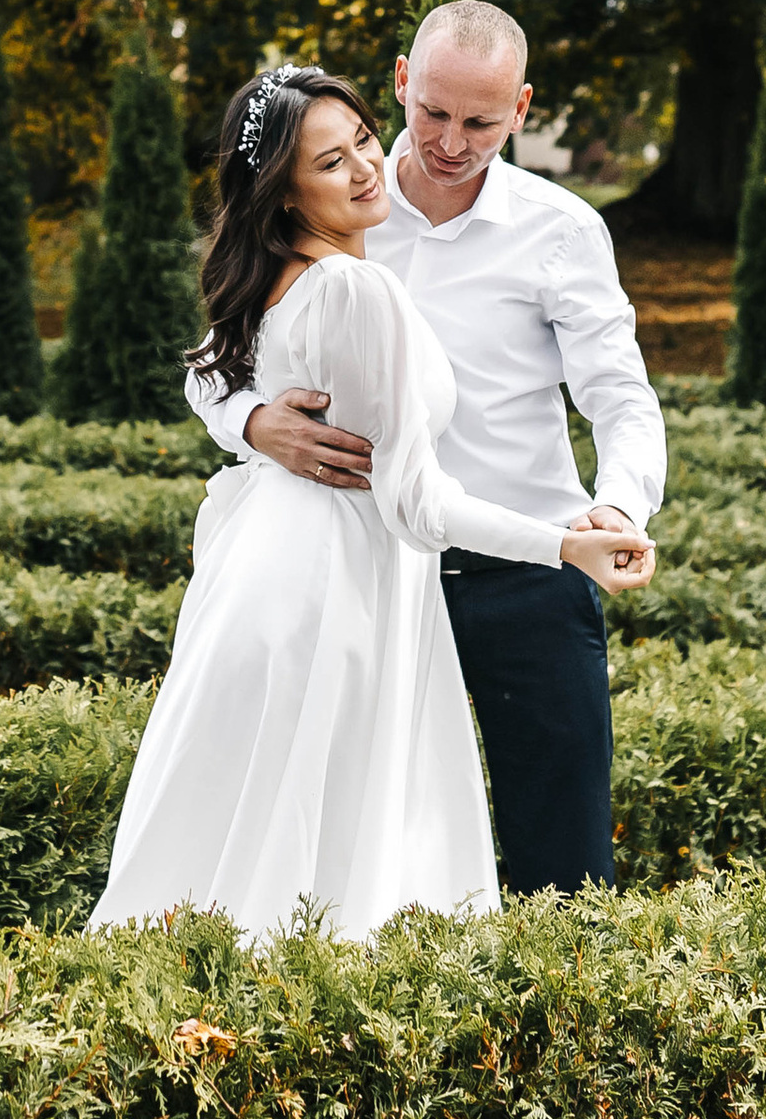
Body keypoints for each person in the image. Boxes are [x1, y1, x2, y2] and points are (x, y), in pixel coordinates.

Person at [89, 68, 653, 944]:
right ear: (402, 87)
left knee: (544, 860)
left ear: (522, 109)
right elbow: (217, 370)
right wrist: (254, 422)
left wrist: (613, 508)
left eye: (481, 121)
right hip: (365, 575)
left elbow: (619, 393)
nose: (448, 141)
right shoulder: (354, 234)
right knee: (350, 839)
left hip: (494, 583)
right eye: (432, 113)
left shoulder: (558, 228)